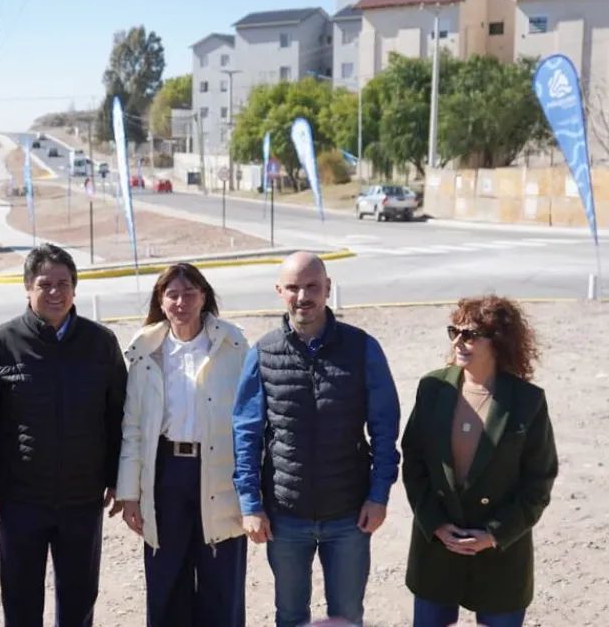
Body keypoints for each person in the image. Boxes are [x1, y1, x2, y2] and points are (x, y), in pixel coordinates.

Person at [232, 251, 401, 627]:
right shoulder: (263, 352)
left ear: (327, 288)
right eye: (293, 287)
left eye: (312, 286)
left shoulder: (363, 348)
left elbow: (385, 428)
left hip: (349, 515)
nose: (303, 296)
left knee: (347, 616)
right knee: (291, 617)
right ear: (280, 291)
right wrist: (250, 504)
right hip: (285, 515)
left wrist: (378, 496)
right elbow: (246, 433)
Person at [0, 243, 127, 627]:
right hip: (21, 500)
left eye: (64, 283)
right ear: (27, 288)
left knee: (79, 599)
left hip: (82, 500)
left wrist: (116, 478)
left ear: (75, 288)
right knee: (21, 601)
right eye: (45, 284)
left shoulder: (100, 343)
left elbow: (118, 415)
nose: (55, 292)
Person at [401, 295, 558, 627]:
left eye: (470, 334)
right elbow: (414, 463)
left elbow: (538, 482)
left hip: (500, 558)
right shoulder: (433, 387)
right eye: (453, 331)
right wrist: (436, 525)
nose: (458, 341)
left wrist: (494, 534)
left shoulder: (527, 402)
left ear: (498, 341)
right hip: (437, 552)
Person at [116, 263, 249, 627]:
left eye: (190, 293)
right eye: (172, 294)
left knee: (221, 584)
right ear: (161, 300)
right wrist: (129, 493)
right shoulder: (145, 352)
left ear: (204, 296)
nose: (181, 302)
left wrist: (251, 493)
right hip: (165, 475)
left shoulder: (232, 344)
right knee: (167, 582)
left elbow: (251, 423)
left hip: (220, 474)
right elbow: (133, 429)